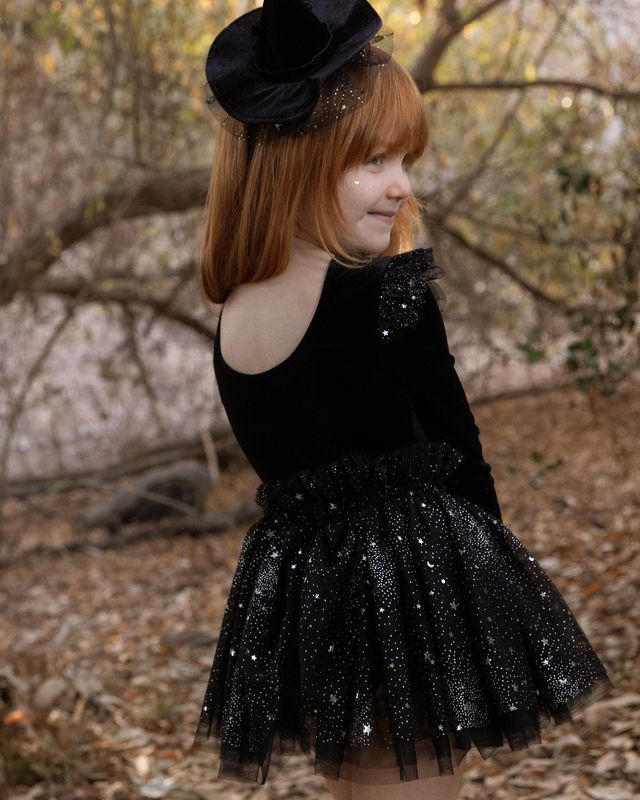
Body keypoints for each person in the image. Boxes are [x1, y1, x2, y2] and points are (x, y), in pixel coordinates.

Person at [190, 2, 614, 798]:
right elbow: (463, 454)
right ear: (300, 160)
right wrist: (496, 605)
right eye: (374, 160)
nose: (401, 185)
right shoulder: (387, 293)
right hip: (413, 590)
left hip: (311, 604)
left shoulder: (235, 313)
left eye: (405, 159)